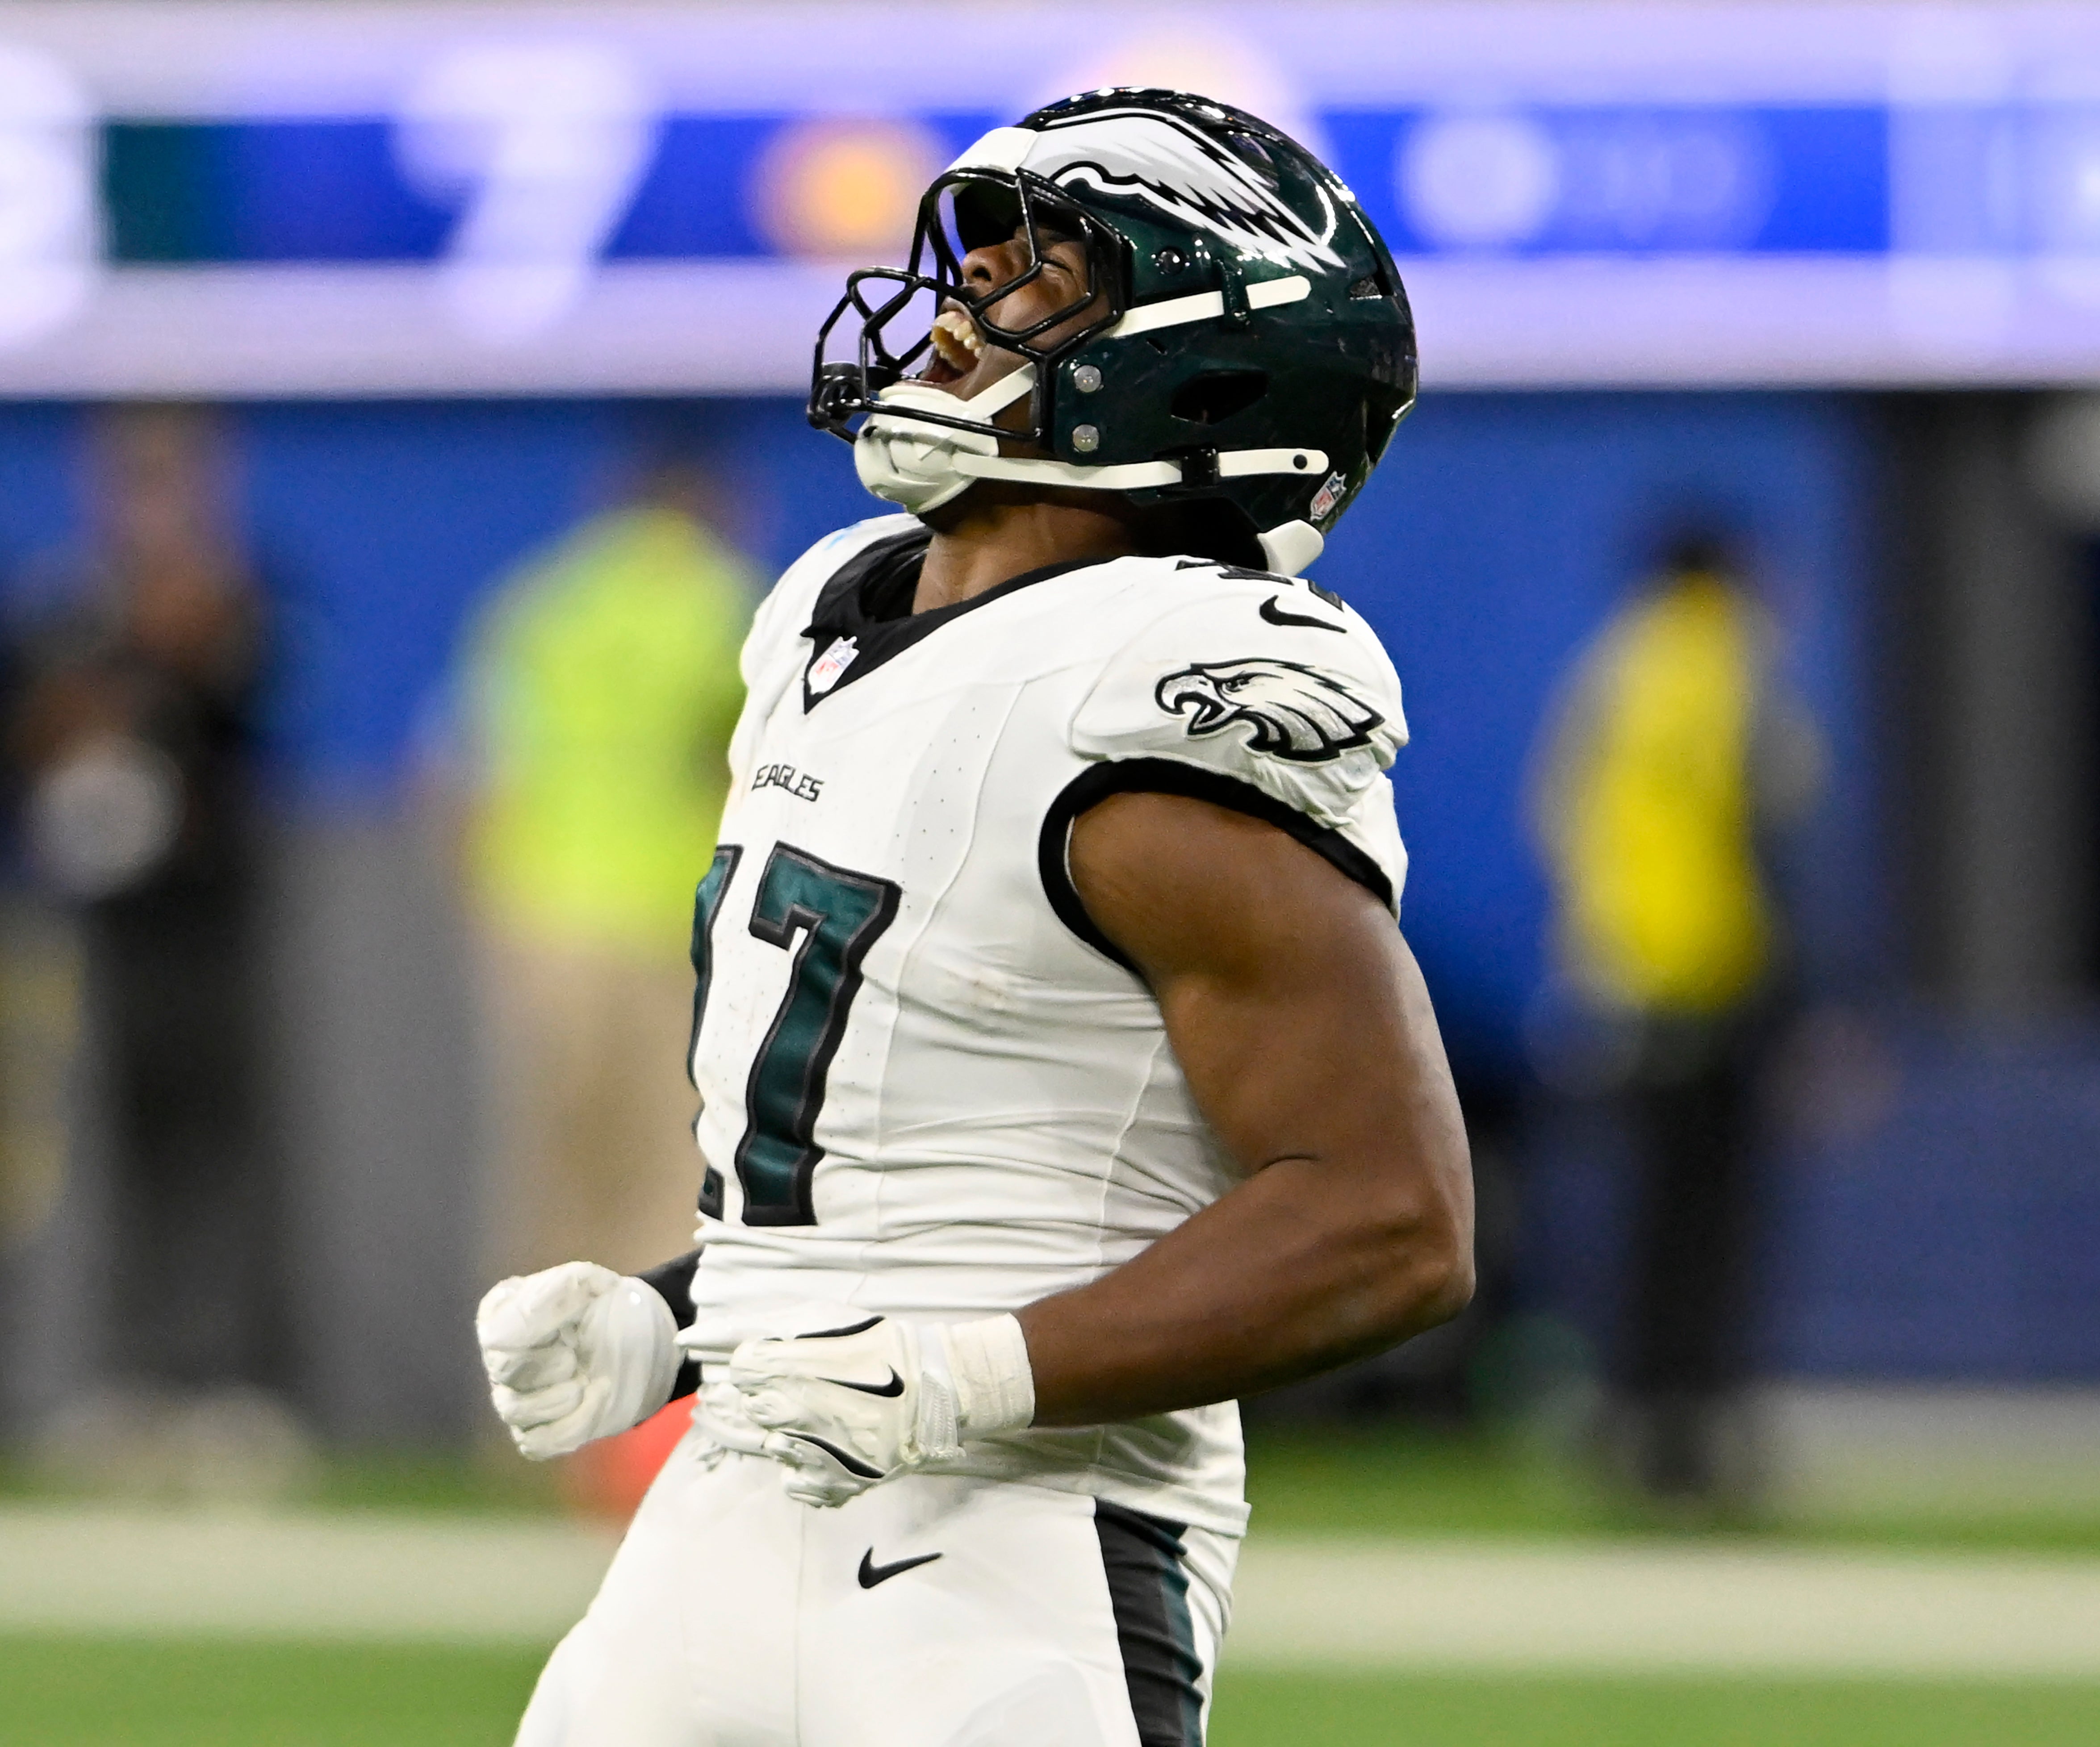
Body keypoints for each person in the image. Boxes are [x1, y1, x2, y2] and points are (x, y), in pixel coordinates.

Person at [475, 90, 1471, 1746]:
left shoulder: (1156, 693)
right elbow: (914, 1140)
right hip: (720, 1517)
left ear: (1198, 368)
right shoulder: (827, 620)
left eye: (1036, 278)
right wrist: (687, 1310)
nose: (957, 306)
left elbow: (1390, 1219)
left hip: (1017, 1558)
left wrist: (963, 1375)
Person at [8, 404, 292, 1469]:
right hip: (107, 931)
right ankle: (122, 1383)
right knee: (112, 1149)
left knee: (225, 1150)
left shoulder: (239, 596)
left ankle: (232, 1386)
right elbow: (32, 736)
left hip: (215, 921)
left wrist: (190, 642)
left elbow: (256, 712)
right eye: (137, 483)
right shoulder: (69, 609)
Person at [1529, 532, 1820, 1511]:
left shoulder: (1613, 670)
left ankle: (1632, 1432)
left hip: (1621, 981)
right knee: (1712, 1232)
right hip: (1714, 980)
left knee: (1647, 1226)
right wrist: (1807, 995)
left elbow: (1561, 821)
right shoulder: (1721, 659)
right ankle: (1699, 1443)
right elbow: (1766, 826)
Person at [457, 447, 761, 1287]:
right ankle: (648, 1405)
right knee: (669, 1168)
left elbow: (471, 775)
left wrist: (494, 914)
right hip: (668, 926)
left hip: (540, 921)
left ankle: (528, 1402)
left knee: (549, 1167)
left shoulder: (541, 605)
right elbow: (746, 768)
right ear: (709, 502)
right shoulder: (718, 597)